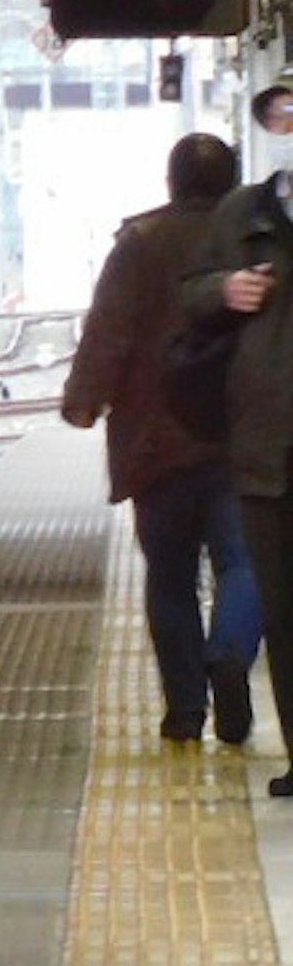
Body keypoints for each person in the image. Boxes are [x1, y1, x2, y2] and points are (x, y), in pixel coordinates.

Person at [66, 129, 256, 743]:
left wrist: (84, 400)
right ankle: (229, 654)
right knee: (239, 562)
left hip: (157, 439)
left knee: (169, 578)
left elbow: (110, 331)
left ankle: (184, 710)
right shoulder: (257, 241)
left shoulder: (140, 243)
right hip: (239, 436)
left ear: (171, 183)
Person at [179, 87, 293, 790]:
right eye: (280, 118)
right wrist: (223, 291)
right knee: (281, 609)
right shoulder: (240, 214)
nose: (288, 129)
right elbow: (189, 295)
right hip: (266, 447)